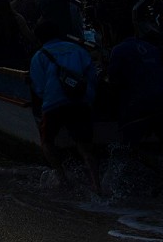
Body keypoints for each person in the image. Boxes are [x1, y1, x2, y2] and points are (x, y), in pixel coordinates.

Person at [29, 20, 104, 194]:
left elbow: (39, 87)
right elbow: (91, 77)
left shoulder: (39, 56)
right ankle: (96, 185)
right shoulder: (78, 50)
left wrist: (49, 99)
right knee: (85, 147)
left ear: (39, 38)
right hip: (80, 102)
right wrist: (88, 98)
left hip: (53, 104)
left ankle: (62, 178)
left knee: (47, 142)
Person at [106, 27, 163, 194]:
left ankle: (161, 171)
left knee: (130, 147)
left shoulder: (118, 50)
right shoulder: (153, 49)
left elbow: (113, 79)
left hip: (138, 104)